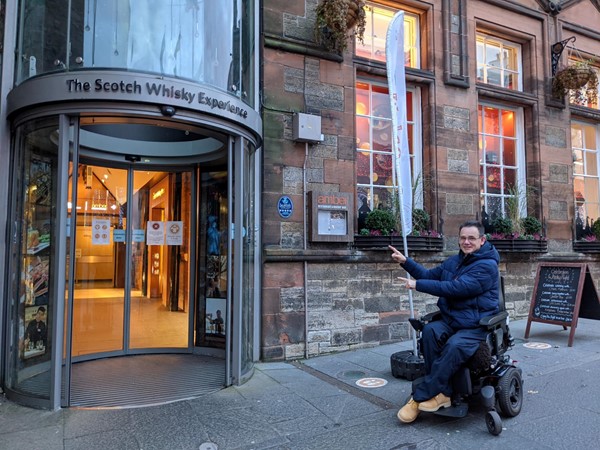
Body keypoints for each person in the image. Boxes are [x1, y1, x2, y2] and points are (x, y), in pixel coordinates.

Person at [389, 220, 499, 424]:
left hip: (475, 325)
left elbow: (455, 288)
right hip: (452, 319)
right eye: (463, 238)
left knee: (454, 345)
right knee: (430, 332)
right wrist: (406, 262)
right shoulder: (454, 261)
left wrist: (417, 285)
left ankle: (420, 397)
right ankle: (443, 393)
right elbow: (430, 276)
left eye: (471, 238)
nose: (466, 242)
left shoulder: (487, 266)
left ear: (482, 240)